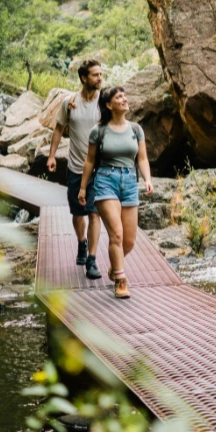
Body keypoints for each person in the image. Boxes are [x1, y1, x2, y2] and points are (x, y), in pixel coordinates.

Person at [78, 86, 153, 299]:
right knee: (116, 234)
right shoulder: (99, 131)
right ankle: (121, 280)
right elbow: (90, 161)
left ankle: (114, 266)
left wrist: (147, 179)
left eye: (125, 95)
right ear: (109, 105)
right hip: (105, 181)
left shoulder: (136, 129)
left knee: (128, 241)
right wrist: (83, 188)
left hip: (129, 182)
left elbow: (142, 159)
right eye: (119, 97)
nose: (124, 99)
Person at [48, 59, 104, 279]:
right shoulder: (69, 102)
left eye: (101, 74)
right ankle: (81, 243)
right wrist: (51, 155)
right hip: (75, 168)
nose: (100, 78)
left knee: (94, 212)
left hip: (99, 170)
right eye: (95, 75)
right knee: (77, 213)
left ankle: (92, 259)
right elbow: (59, 128)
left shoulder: (104, 102)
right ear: (83, 78)